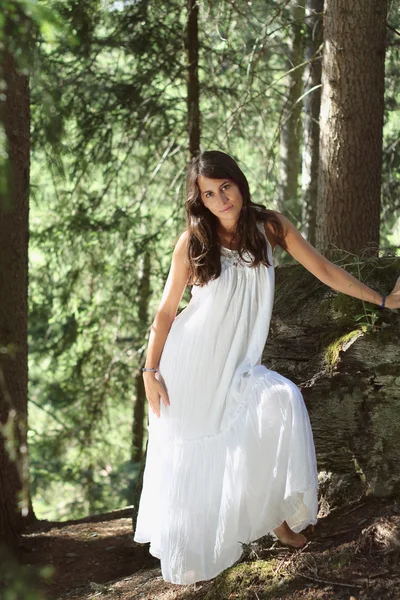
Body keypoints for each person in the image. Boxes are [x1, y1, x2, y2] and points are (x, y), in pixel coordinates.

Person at [133, 150, 400, 586]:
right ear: (199, 200)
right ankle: (207, 554)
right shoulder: (193, 241)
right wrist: (150, 370)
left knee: (281, 400)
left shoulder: (269, 226)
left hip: (238, 365)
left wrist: (384, 300)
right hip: (190, 364)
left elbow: (324, 270)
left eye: (225, 187)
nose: (221, 199)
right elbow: (166, 312)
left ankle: (275, 518)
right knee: (199, 450)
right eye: (209, 193)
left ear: (238, 183)